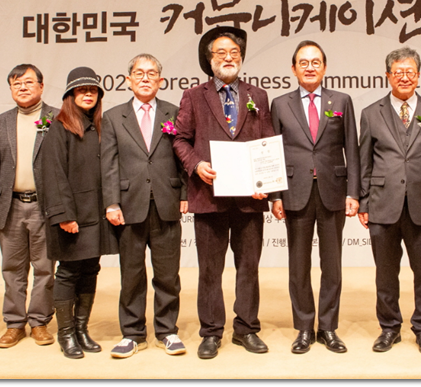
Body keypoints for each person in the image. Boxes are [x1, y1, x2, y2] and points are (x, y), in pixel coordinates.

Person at [173, 26, 276, 359]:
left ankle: (246, 329)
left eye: (234, 52)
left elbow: (267, 142)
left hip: (249, 200)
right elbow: (180, 139)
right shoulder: (193, 95)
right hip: (208, 196)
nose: (229, 57)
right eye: (221, 52)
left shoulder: (258, 95)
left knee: (249, 267)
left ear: (241, 57)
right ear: (210, 59)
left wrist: (265, 183)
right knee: (210, 270)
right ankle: (211, 332)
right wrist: (196, 165)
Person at [357, 46, 421, 356]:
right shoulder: (371, 113)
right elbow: (364, 162)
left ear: (419, 75)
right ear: (388, 76)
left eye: (410, 72)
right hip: (383, 204)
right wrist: (363, 202)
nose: (404, 77)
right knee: (386, 274)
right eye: (398, 72)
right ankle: (389, 328)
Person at [269, 40, 360, 354]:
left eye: (315, 62)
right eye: (303, 63)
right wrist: (275, 195)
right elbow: (273, 152)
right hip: (295, 192)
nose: (310, 67)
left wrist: (353, 192)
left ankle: (329, 327)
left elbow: (352, 149)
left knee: (332, 265)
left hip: (333, 191)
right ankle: (305, 328)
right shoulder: (280, 104)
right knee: (298, 265)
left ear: (324, 67)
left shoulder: (342, 100)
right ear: (294, 69)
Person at [101, 54, 188, 359]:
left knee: (168, 274)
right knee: (132, 275)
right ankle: (132, 333)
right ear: (128, 80)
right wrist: (111, 202)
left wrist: (185, 193)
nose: (145, 78)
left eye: (152, 73)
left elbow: (183, 157)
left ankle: (167, 330)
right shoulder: (113, 117)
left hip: (167, 203)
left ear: (161, 80)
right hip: (129, 206)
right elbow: (108, 164)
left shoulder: (174, 113)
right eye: (139, 73)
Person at [39, 67, 116, 359]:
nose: (88, 94)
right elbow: (53, 175)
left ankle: (82, 329)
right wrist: (63, 215)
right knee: (68, 272)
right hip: (72, 216)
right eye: (81, 90)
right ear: (70, 95)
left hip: (96, 213)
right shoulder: (59, 128)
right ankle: (66, 333)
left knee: (90, 269)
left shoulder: (101, 127)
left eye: (92, 90)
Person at [0, 64, 57, 348]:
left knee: (44, 268)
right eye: (16, 84)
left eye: (29, 82)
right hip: (10, 205)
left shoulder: (57, 118)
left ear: (41, 86)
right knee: (12, 268)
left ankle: (39, 321)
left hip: (45, 206)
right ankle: (14, 323)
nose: (23, 87)